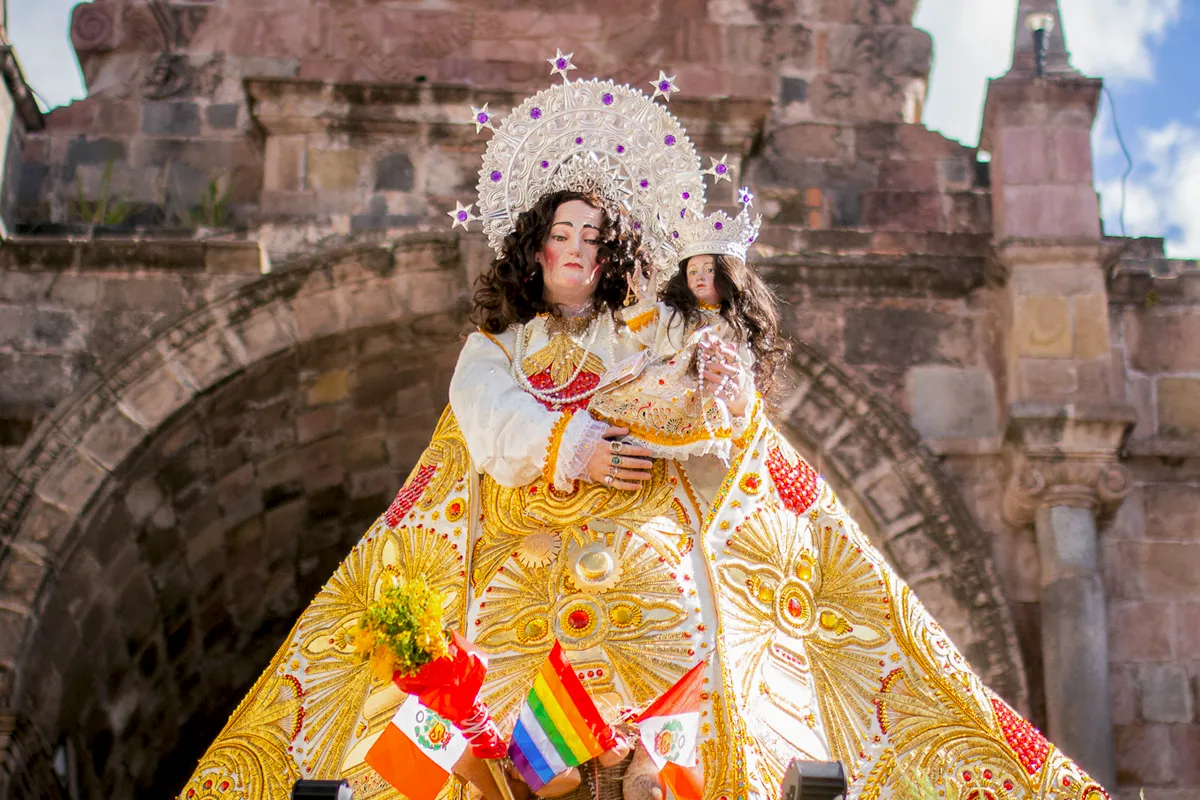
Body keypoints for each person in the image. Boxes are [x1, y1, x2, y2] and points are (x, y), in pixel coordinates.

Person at [180, 57, 1110, 800]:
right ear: (531, 246)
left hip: (650, 582)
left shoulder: (654, 327)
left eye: (595, 236)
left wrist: (720, 378)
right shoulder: (496, 349)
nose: (578, 249)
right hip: (521, 590)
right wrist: (569, 446)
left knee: (667, 743)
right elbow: (489, 420)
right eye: (562, 234)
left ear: (616, 250)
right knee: (504, 748)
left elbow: (718, 413)